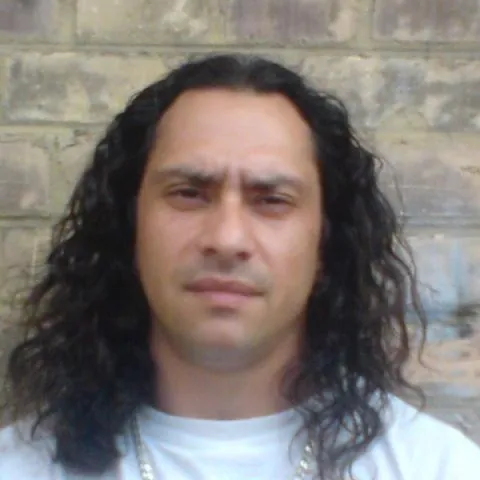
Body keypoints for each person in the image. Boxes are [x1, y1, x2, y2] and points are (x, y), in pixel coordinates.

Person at [0, 53, 479, 480]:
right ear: (129, 228)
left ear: (327, 242)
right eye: (189, 193)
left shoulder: (438, 468)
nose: (227, 239)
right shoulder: (19, 467)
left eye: (272, 200)